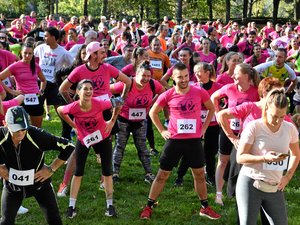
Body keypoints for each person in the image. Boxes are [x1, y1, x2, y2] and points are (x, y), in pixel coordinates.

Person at [140, 62, 221, 220]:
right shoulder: (168, 94)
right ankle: (148, 206)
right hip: (175, 141)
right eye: (179, 77)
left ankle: (205, 207)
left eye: (185, 76)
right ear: (173, 78)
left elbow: (211, 108)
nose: (183, 80)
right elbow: (152, 112)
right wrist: (162, 130)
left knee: (199, 175)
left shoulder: (199, 92)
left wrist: (204, 128)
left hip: (194, 141)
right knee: (163, 174)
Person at [57, 79, 123, 218]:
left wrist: (112, 121)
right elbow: (59, 110)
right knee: (78, 172)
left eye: (90, 89)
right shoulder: (74, 107)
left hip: (102, 138)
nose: (88, 91)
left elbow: (119, 101)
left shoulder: (99, 103)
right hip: (84, 140)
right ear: (78, 91)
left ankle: (110, 206)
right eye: (85, 89)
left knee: (107, 171)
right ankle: (71, 207)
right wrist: (73, 125)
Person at [0, 106, 74, 225]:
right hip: (13, 186)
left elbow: (69, 146)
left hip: (40, 184)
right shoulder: (0, 136)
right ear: (5, 124)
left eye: (23, 129)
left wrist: (51, 168)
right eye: (15, 129)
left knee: (54, 219)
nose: (20, 133)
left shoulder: (37, 135)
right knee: (6, 221)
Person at [236, 88, 300, 225]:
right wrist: (264, 158)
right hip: (250, 182)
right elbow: (240, 157)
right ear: (266, 109)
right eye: (274, 116)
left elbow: (295, 154)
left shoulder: (289, 129)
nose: (277, 121)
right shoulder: (254, 127)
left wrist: (288, 176)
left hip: (275, 186)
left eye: (282, 117)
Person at [211, 63, 260, 206]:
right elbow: (214, 97)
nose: (232, 76)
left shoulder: (256, 91)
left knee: (246, 161)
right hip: (228, 130)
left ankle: (245, 191)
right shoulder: (229, 88)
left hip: (248, 133)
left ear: (246, 76)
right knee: (223, 160)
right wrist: (217, 112)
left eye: (236, 73)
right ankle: (219, 194)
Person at [110, 61, 164, 183]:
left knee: (142, 147)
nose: (146, 79)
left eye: (148, 76)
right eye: (143, 76)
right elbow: (108, 89)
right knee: (120, 146)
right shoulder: (128, 83)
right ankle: (114, 173)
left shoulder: (152, 84)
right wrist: (112, 104)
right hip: (123, 119)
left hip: (140, 120)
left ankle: (149, 173)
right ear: (136, 74)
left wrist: (152, 103)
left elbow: (163, 92)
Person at [174, 62, 222, 186]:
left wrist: (221, 108)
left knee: (210, 152)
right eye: (194, 72)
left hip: (212, 125)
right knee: (188, 150)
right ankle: (180, 176)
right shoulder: (192, 87)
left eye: (199, 71)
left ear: (207, 72)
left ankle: (210, 176)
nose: (196, 74)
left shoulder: (218, 87)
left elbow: (227, 100)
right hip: (194, 125)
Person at [0, 43, 46, 128]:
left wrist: (41, 90)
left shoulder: (36, 66)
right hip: (21, 99)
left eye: (30, 53)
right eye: (25, 53)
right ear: (21, 53)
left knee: (37, 129)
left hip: (35, 98)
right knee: (20, 128)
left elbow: (43, 80)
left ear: (33, 54)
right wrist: (11, 91)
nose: (27, 55)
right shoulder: (15, 66)